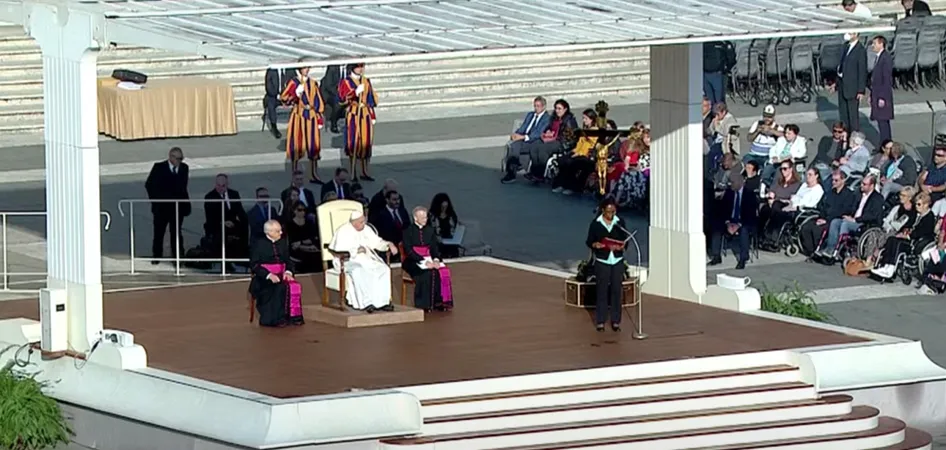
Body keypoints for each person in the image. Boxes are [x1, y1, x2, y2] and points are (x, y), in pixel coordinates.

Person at [328, 210, 398, 312]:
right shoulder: (343, 231)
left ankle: (382, 302)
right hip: (347, 261)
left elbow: (377, 242)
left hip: (366, 259)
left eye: (364, 221)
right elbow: (337, 250)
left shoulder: (366, 229)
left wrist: (388, 244)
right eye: (361, 222)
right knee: (360, 270)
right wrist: (356, 250)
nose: (364, 224)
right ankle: (366, 303)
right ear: (354, 223)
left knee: (383, 269)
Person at [249, 220, 304, 327]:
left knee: (294, 286)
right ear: (269, 232)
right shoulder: (258, 244)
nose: (281, 233)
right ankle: (275, 319)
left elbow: (288, 261)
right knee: (278, 287)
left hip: (282, 274)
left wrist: (288, 272)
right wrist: (269, 275)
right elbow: (254, 265)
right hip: (264, 277)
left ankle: (293, 317)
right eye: (278, 231)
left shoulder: (283, 242)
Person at [586, 197, 629, 332]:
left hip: (616, 260)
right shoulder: (596, 224)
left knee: (617, 290)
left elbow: (625, 239)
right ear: (603, 210)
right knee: (602, 291)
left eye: (613, 212)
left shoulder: (619, 222)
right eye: (609, 212)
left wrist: (622, 246)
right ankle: (600, 321)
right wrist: (596, 244)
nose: (611, 215)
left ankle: (616, 321)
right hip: (602, 261)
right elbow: (589, 241)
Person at [871, 192, 935, 279]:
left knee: (898, 243)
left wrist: (908, 236)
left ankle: (891, 268)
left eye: (919, 204)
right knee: (891, 239)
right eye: (916, 204)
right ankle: (886, 265)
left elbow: (923, 232)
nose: (916, 206)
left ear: (926, 204)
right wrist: (905, 231)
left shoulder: (929, 217)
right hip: (910, 237)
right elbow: (909, 224)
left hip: (918, 242)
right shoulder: (917, 214)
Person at [818, 175, 884, 258]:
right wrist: (848, 215)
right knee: (835, 222)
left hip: (864, 223)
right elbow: (852, 207)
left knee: (845, 224)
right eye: (861, 183)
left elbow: (872, 215)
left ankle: (839, 249)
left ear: (872, 186)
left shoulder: (877, 198)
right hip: (853, 219)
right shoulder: (858, 194)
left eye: (864, 184)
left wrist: (855, 220)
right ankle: (830, 248)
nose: (861, 185)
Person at [280, 62, 325, 184]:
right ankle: (295, 173)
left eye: (308, 67)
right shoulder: (294, 82)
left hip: (311, 116)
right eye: (304, 67)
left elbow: (318, 100)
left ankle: (313, 174)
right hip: (299, 115)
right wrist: (294, 94)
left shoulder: (313, 83)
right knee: (297, 143)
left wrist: (318, 114)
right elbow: (284, 98)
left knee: (313, 144)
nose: (306, 70)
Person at [402, 206, 454, 312]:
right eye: (423, 218)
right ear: (415, 218)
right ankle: (424, 305)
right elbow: (408, 251)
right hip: (413, 260)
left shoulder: (430, 230)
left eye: (426, 217)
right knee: (426, 274)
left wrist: (435, 259)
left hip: (429, 258)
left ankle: (439, 302)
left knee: (441, 271)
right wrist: (424, 261)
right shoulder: (408, 231)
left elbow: (434, 248)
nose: (425, 220)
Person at [145, 147, 191, 264]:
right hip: (162, 208)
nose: (180, 161)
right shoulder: (159, 168)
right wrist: (156, 201)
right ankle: (157, 256)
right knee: (159, 232)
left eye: (181, 158)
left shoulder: (184, 168)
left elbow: (183, 188)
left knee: (176, 232)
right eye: (178, 158)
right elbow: (149, 184)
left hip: (177, 207)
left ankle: (178, 256)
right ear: (171, 157)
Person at [338, 62, 378, 182]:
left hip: (365, 113)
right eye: (358, 66)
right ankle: (353, 171)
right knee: (353, 142)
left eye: (362, 66)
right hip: (354, 114)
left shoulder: (366, 81)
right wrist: (354, 93)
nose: (361, 69)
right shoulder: (345, 82)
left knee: (366, 142)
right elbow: (341, 98)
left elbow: (370, 98)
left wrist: (372, 114)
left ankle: (364, 170)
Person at [709, 174, 759, 270]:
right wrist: (728, 223)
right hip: (731, 220)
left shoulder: (749, 194)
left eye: (733, 182)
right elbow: (723, 210)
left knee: (744, 230)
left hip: (744, 221)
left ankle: (743, 259)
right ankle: (716, 256)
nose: (731, 184)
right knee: (716, 227)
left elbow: (751, 214)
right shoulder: (729, 192)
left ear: (741, 182)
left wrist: (738, 225)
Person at [202, 174, 248, 262]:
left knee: (244, 225)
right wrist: (223, 222)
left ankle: (242, 255)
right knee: (221, 232)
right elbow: (210, 216)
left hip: (232, 221)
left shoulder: (234, 194)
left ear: (227, 185)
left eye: (223, 186)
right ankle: (225, 260)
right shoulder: (210, 197)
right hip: (217, 223)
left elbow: (240, 210)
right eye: (218, 185)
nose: (220, 188)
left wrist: (242, 220)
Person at [831, 31, 868, 132]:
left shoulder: (860, 50)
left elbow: (862, 71)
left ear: (856, 34)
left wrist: (861, 90)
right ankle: (845, 136)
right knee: (843, 114)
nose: (847, 34)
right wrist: (836, 82)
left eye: (850, 33)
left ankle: (854, 136)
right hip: (842, 84)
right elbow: (841, 66)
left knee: (853, 116)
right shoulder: (845, 47)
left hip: (853, 87)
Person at [284, 201, 322, 274]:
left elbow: (312, 238)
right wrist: (301, 245)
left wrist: (301, 243)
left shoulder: (309, 223)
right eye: (299, 210)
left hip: (308, 247)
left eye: (304, 210)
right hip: (296, 250)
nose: (302, 212)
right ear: (294, 211)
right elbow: (293, 243)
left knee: (317, 256)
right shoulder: (289, 224)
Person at [869, 36, 894, 143]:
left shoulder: (885, 58)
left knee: (883, 123)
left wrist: (882, 97)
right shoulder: (880, 57)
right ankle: (884, 144)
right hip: (877, 94)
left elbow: (886, 80)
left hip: (882, 95)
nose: (872, 46)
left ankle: (886, 145)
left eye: (874, 43)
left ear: (881, 44)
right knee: (881, 122)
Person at [429, 192, 461, 259]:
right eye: (442, 207)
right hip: (437, 245)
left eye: (446, 207)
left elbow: (455, 227)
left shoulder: (451, 215)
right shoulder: (431, 216)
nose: (444, 209)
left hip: (451, 244)